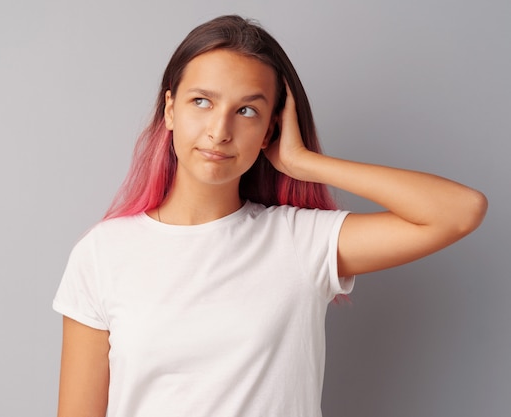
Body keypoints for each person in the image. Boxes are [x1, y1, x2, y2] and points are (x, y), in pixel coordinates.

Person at [52, 15, 487, 417]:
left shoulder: (300, 242)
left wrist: (304, 162)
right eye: (202, 101)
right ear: (170, 109)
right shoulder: (103, 254)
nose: (219, 131)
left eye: (247, 111)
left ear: (269, 132)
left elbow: (459, 211)